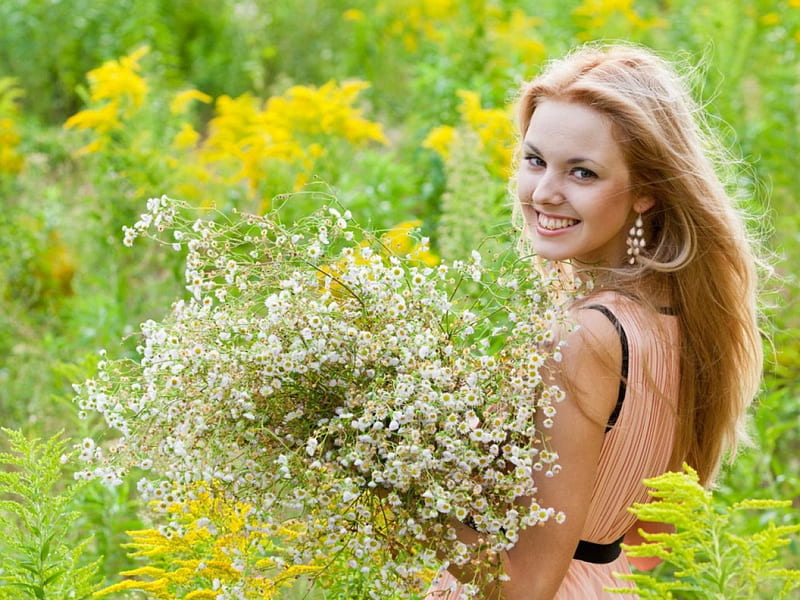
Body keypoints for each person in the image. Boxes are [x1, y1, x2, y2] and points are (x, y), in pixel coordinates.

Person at [424, 42, 763, 599]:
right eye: (534, 160)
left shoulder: (586, 336)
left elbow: (525, 588)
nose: (544, 193)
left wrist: (411, 491)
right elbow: (651, 540)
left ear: (646, 192)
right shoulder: (677, 317)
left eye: (582, 172)